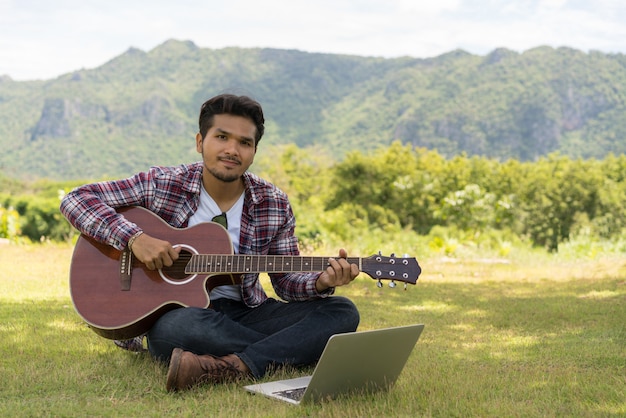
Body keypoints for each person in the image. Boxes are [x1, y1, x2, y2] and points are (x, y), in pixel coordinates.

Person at [60, 94, 360, 391]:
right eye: (222, 137)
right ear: (200, 142)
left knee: (342, 311)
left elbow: (285, 283)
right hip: (182, 314)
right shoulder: (164, 184)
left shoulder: (273, 202)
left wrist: (320, 281)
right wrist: (135, 239)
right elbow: (76, 199)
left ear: (254, 151)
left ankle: (234, 365)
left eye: (245, 143)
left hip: (246, 313)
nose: (232, 150)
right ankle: (297, 350)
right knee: (177, 329)